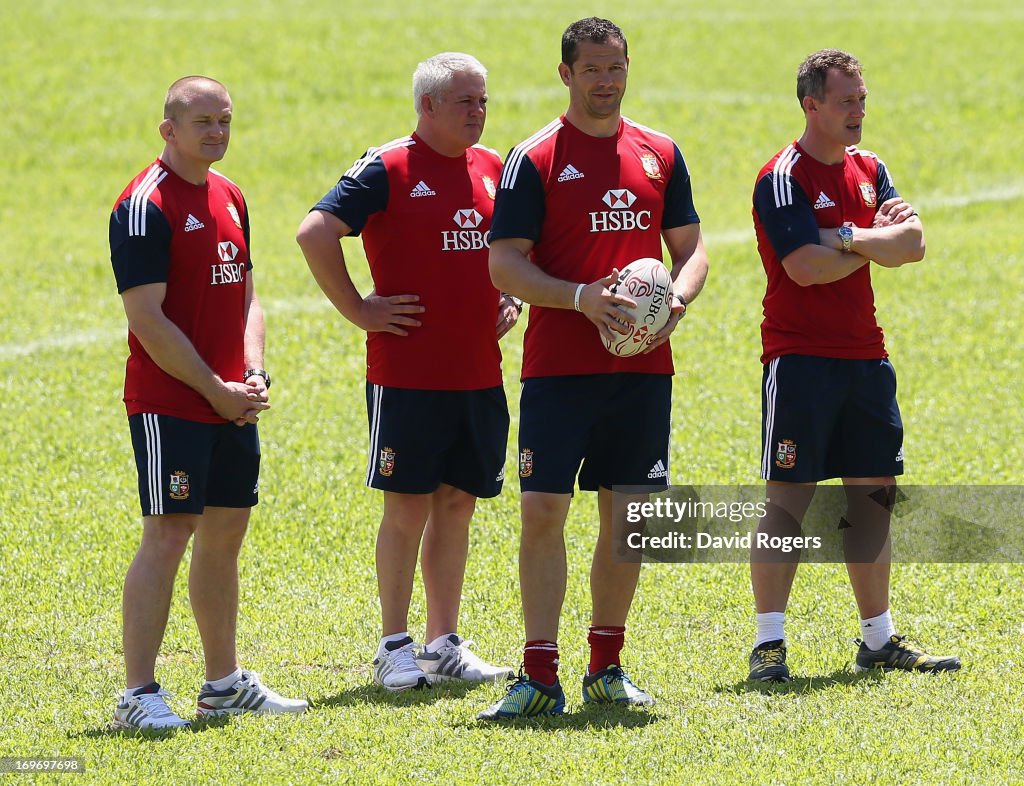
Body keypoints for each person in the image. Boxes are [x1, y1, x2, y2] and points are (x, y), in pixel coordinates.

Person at [478, 18, 708, 720]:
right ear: (567, 75)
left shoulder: (659, 153)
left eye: (617, 68)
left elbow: (692, 249)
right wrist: (581, 299)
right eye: (593, 69)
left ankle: (606, 667)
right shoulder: (535, 157)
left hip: (643, 368)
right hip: (558, 368)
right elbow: (504, 261)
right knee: (544, 511)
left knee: (627, 516)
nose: (607, 81)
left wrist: (678, 298)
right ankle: (539, 673)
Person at [296, 53, 518, 692]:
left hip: (479, 372)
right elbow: (316, 232)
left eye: (483, 101)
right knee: (407, 508)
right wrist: (358, 308)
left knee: (458, 504)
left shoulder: (493, 167)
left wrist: (512, 297)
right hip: (409, 376)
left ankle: (443, 642)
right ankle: (394, 645)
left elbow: (510, 249)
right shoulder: (388, 166)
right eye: (465, 103)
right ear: (427, 106)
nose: (478, 113)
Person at [747, 49, 960, 682]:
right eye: (846, 102)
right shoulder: (781, 177)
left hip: (867, 359)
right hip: (800, 360)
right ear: (811, 105)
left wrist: (843, 236)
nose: (858, 113)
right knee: (787, 501)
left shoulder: (872, 169)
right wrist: (872, 240)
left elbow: (914, 244)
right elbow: (803, 269)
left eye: (861, 100)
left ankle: (878, 640)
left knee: (873, 500)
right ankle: (769, 645)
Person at [108, 76, 308, 729]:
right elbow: (148, 319)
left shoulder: (231, 196)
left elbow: (248, 293)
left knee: (224, 535)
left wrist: (249, 373)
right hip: (173, 400)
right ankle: (138, 695)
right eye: (203, 122)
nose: (217, 133)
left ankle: (222, 683)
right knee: (168, 534)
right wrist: (214, 390)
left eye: (224, 120)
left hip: (230, 398)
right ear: (169, 129)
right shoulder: (144, 205)